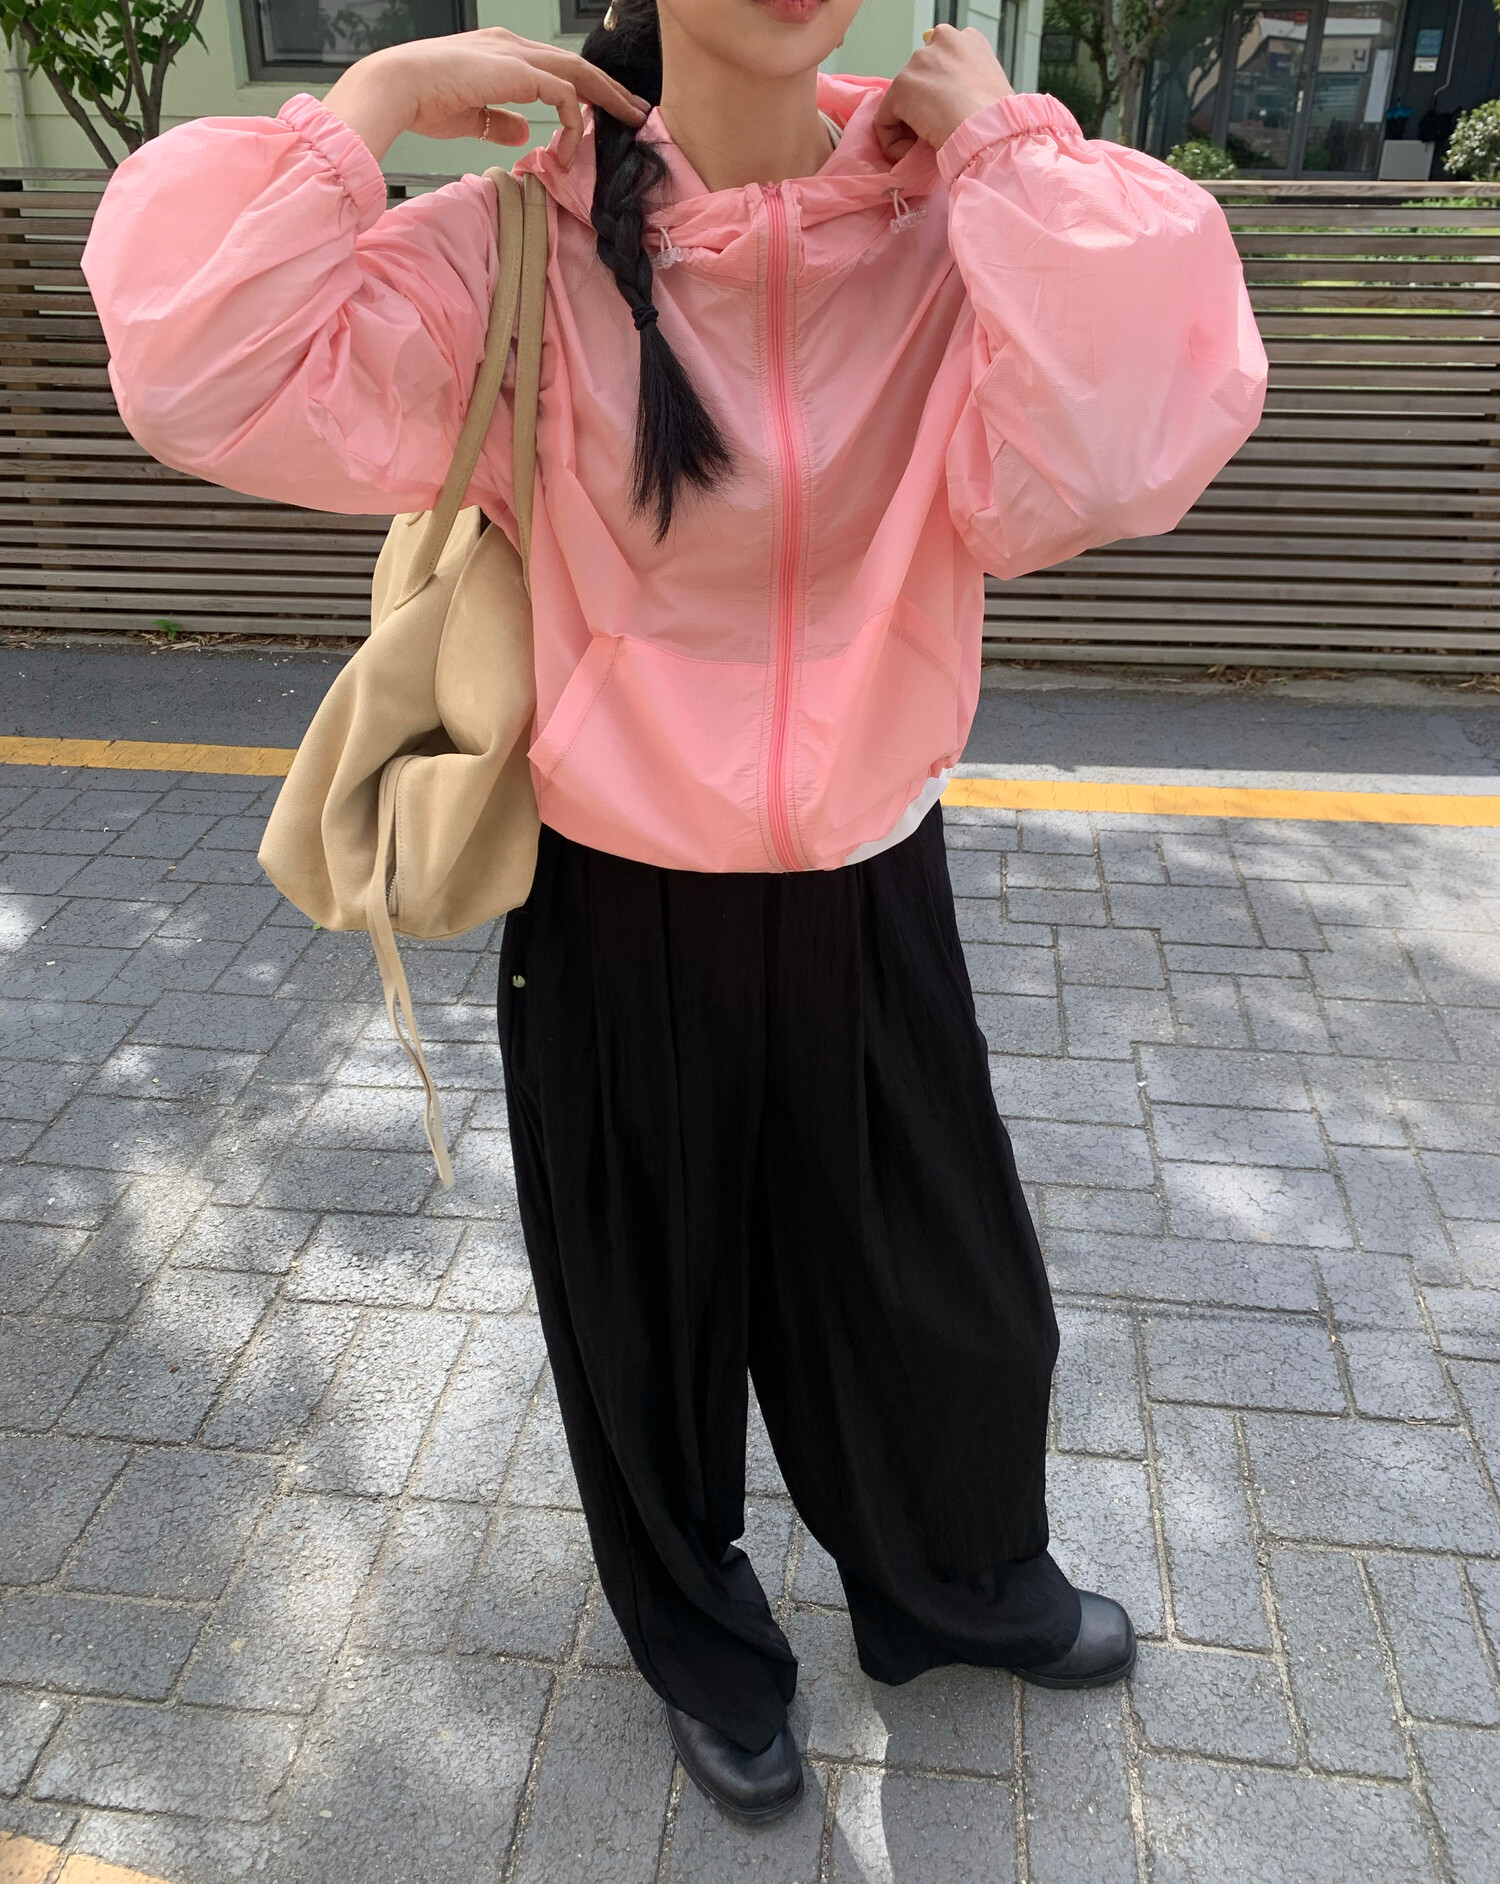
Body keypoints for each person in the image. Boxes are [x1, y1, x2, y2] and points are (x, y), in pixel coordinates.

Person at [81, 0, 1267, 1827]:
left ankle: (955, 1588)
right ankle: (706, 1651)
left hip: (868, 874)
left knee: (948, 1296)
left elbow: (1132, 444)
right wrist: (368, 102)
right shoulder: (519, 243)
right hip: (614, 893)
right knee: (644, 1318)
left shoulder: (955, 223)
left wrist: (1014, 148)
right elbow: (196, 370)